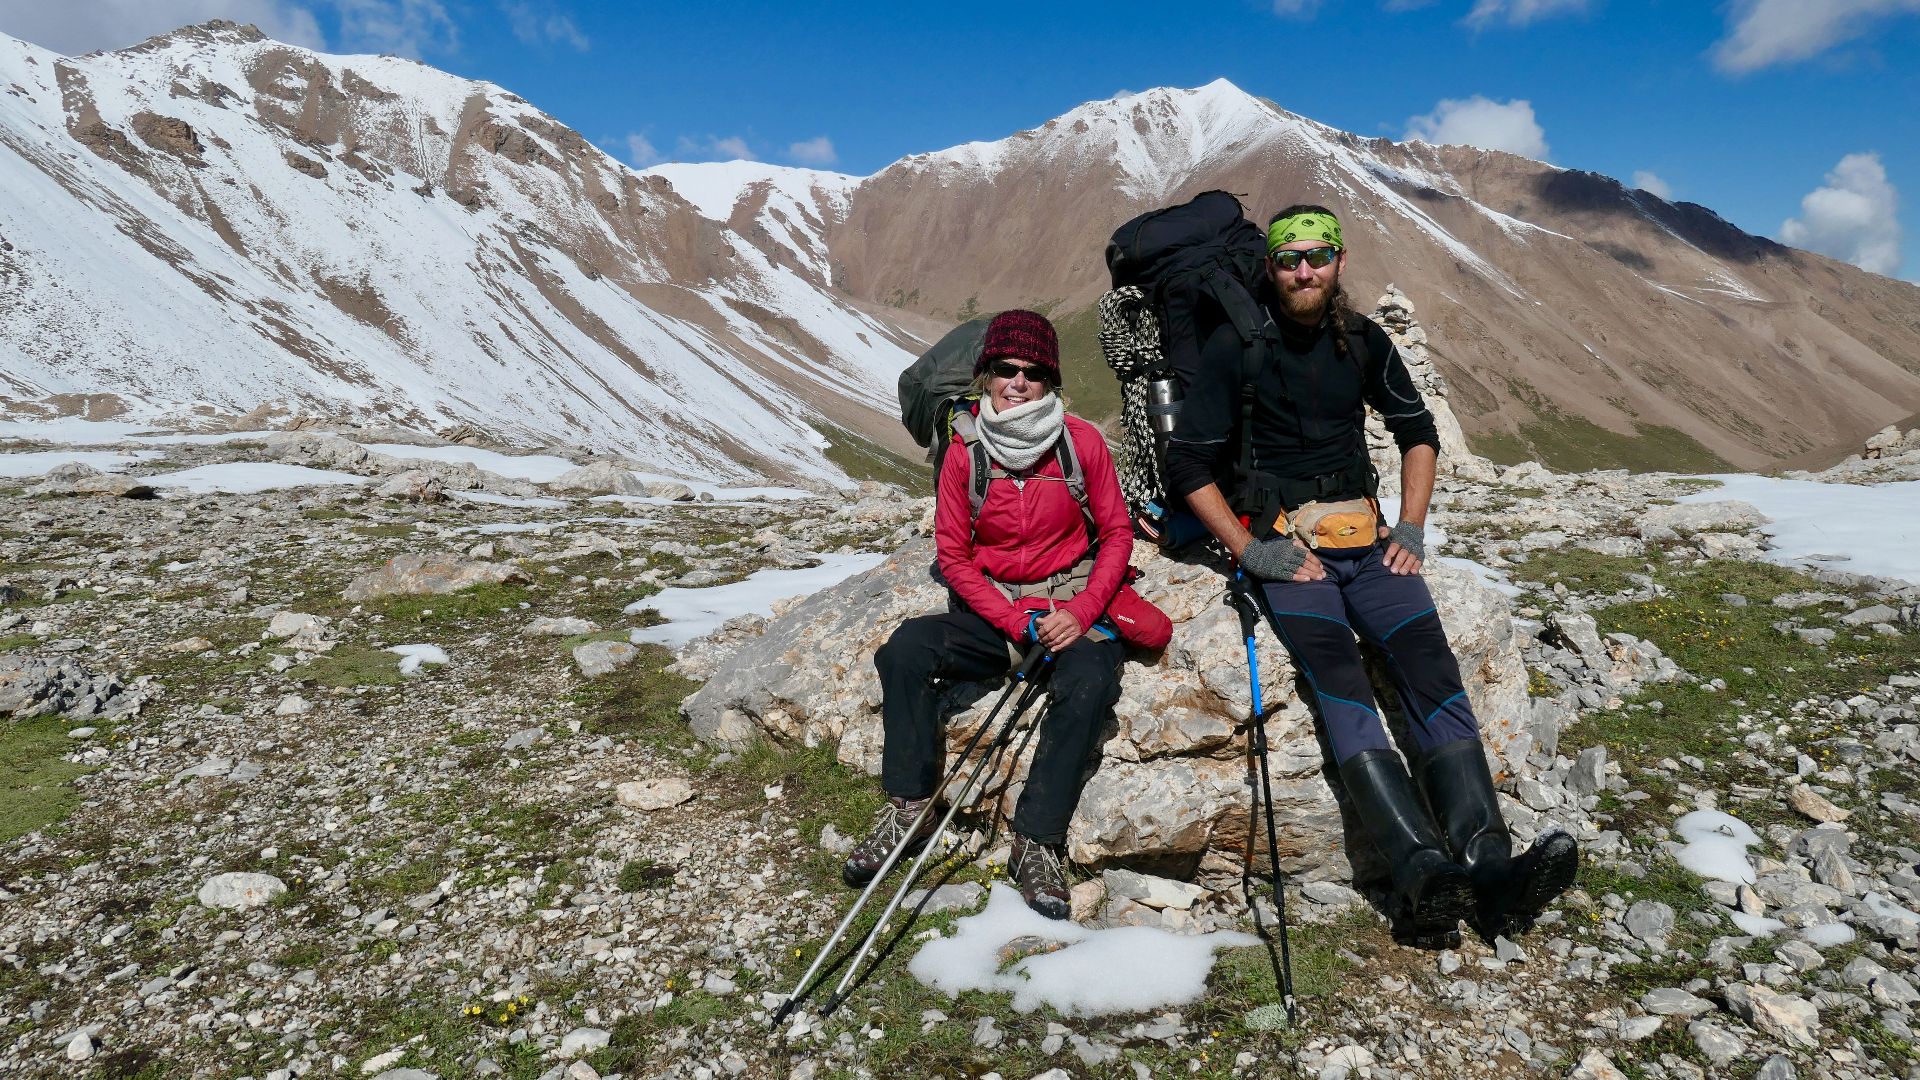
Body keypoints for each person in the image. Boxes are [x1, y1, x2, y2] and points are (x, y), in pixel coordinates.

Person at [1163, 205, 1578, 943]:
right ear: (1271, 268)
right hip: (1291, 555)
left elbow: (1417, 433)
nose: (1304, 271)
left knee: (1433, 672)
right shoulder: (1237, 348)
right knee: (1343, 688)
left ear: (1339, 263)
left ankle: (1488, 864)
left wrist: (1411, 528)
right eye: (1290, 259)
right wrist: (1248, 550)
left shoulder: (1363, 341)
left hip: (1371, 539)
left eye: (1318, 257)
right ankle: (1420, 869)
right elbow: (1188, 464)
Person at [844, 309, 1166, 920]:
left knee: (1090, 680)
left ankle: (1035, 839)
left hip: (1070, 604)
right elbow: (954, 557)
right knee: (905, 650)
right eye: (1005, 370)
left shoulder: (1081, 442)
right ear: (986, 376)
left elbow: (1118, 532)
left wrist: (1081, 610)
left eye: (1034, 372)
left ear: (1050, 382)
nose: (1018, 382)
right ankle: (910, 806)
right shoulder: (965, 452)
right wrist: (1014, 622)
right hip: (998, 614)